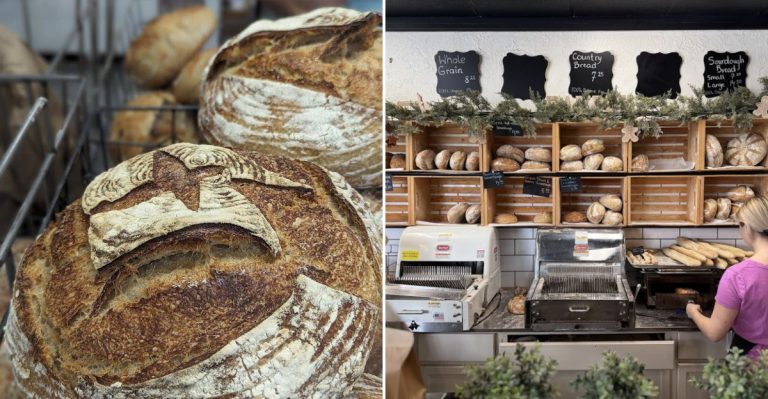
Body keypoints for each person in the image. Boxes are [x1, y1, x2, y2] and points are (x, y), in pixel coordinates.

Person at [687, 196, 768, 360]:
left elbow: (715, 332)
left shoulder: (738, 275)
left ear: (746, 226)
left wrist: (693, 312)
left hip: (752, 365)